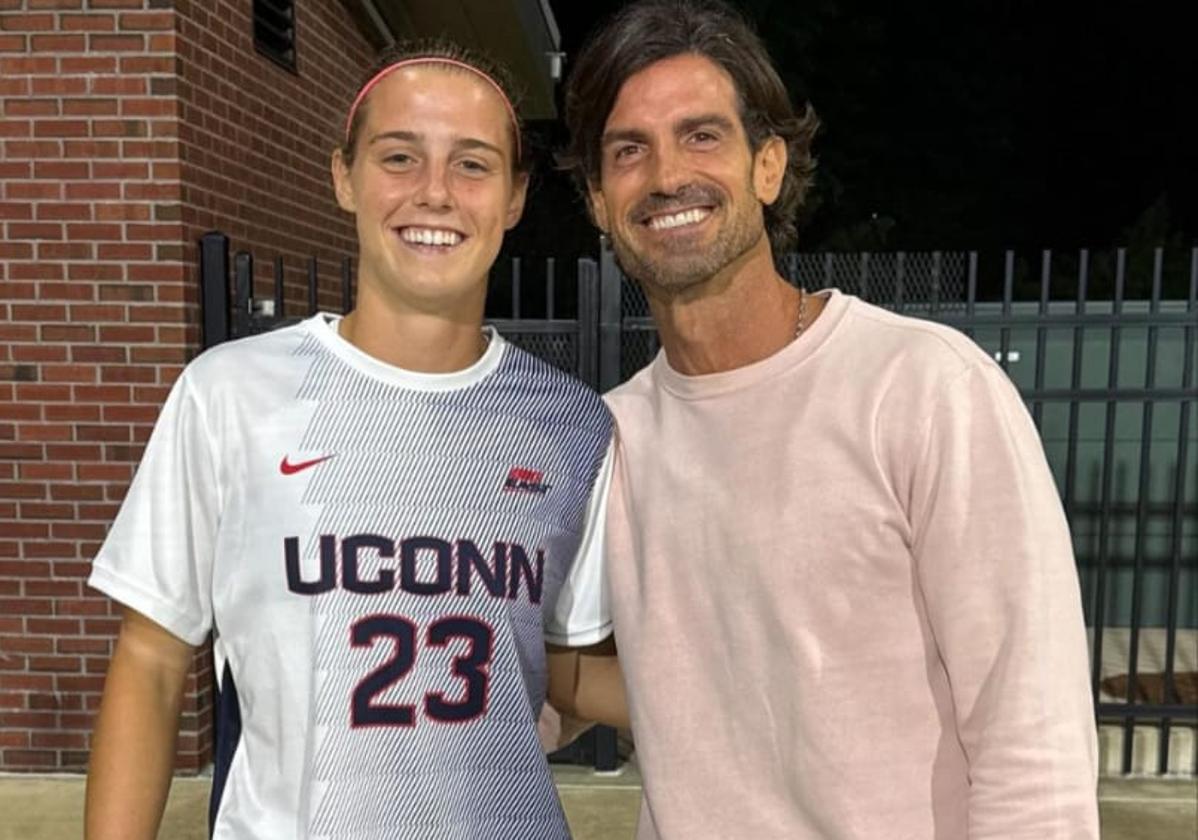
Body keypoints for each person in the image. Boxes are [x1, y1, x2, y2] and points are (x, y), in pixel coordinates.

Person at [558, 1, 1101, 837]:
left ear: (768, 166)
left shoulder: (923, 389)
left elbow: (1032, 741)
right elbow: (596, 683)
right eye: (629, 150)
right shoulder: (607, 442)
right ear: (598, 199)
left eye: (702, 136)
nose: (667, 175)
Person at [85, 39, 622, 840]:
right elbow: (154, 665)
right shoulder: (230, 395)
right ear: (344, 176)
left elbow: (571, 671)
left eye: (472, 165)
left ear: (514, 196)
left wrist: (759, 677)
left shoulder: (573, 425)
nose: (434, 193)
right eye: (399, 156)